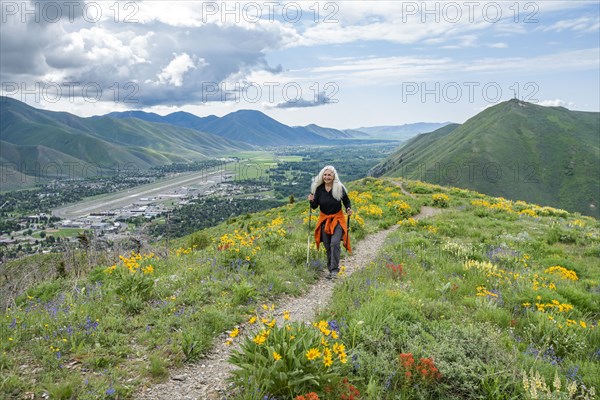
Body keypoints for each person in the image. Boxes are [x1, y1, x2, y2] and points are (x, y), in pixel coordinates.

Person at [307, 165, 353, 279]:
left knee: (334, 243)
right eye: (325, 175)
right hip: (324, 220)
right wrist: (311, 201)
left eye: (329, 175)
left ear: (334, 176)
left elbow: (346, 201)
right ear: (322, 176)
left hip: (337, 219)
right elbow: (314, 206)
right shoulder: (319, 189)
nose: (327, 177)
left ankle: (334, 271)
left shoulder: (339, 188)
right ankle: (330, 269)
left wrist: (348, 209)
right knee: (327, 245)